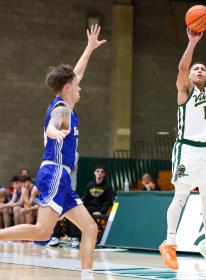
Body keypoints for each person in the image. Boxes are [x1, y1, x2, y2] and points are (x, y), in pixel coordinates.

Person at [0, 24, 106, 280]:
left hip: (61, 177)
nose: (80, 88)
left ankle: (87, 276)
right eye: (77, 86)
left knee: (88, 228)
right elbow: (54, 122)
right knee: (41, 231)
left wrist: (89, 49)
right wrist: (52, 131)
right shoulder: (62, 109)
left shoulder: (63, 99)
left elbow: (76, 74)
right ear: (68, 88)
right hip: (55, 173)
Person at [159, 26, 206, 271]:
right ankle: (170, 242)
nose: (199, 70)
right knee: (181, 195)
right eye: (196, 68)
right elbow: (182, 68)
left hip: (205, 152)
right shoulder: (184, 91)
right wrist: (193, 43)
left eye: (203, 69)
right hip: (185, 150)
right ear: (190, 77)